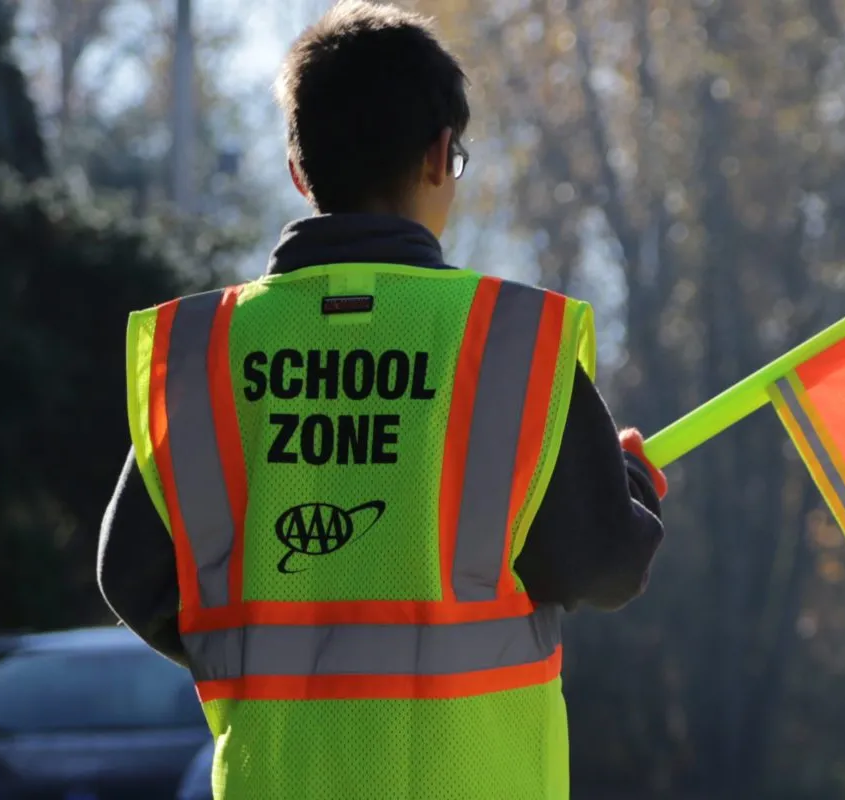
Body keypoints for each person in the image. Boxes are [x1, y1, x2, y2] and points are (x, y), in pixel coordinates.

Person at [98, 1, 667, 797]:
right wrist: (629, 485)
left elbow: (132, 575)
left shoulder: (207, 355)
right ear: (441, 155)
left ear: (299, 172)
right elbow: (604, 564)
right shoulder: (508, 344)